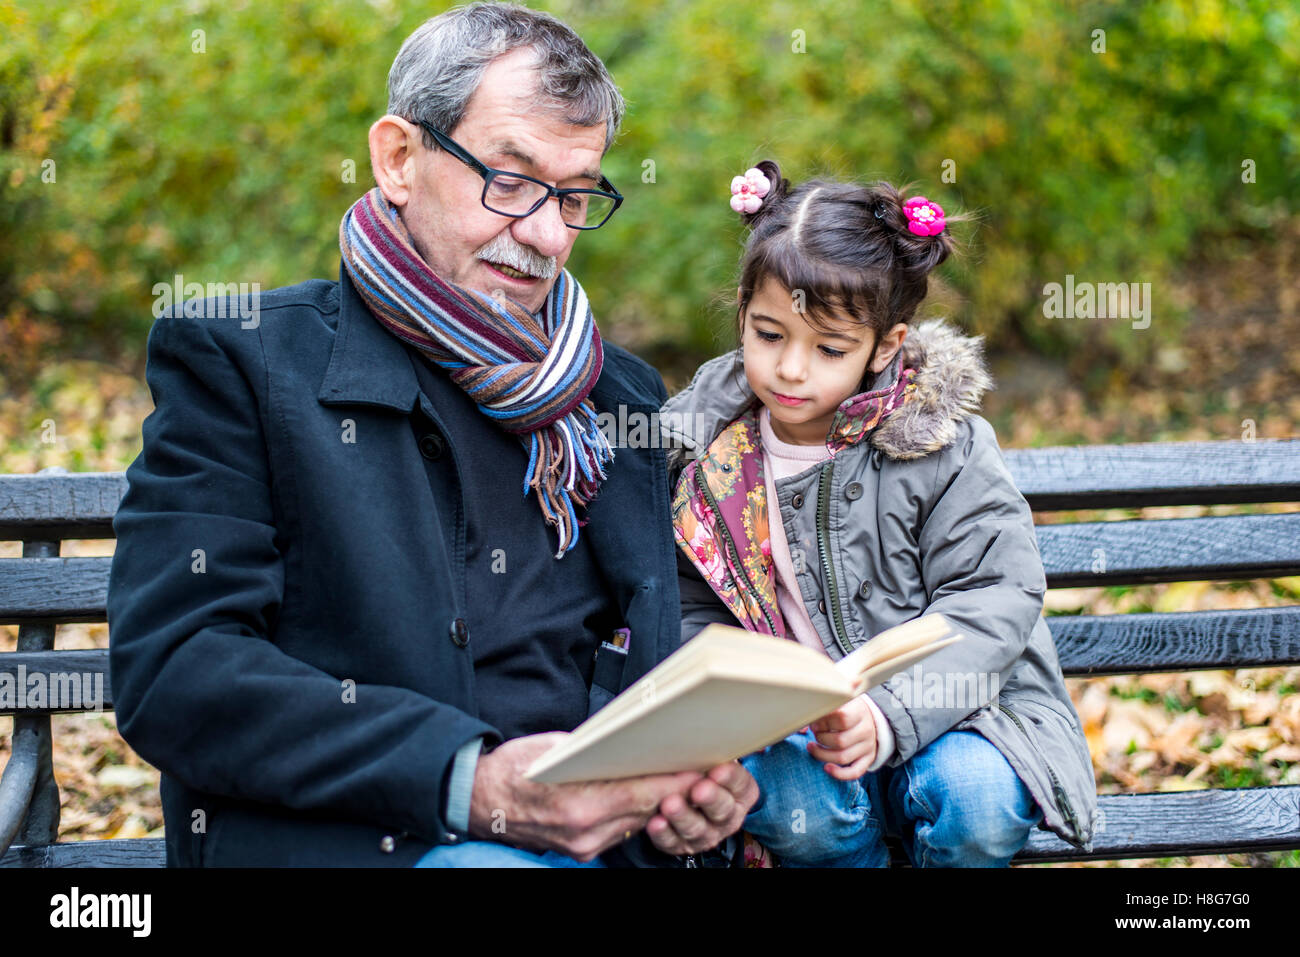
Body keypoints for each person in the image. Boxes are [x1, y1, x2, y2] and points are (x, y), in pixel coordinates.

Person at [107, 2, 756, 868]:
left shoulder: (617, 395)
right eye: (512, 181)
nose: (547, 234)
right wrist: (470, 782)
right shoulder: (246, 364)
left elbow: (644, 656)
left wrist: (683, 792)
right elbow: (177, 671)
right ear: (399, 157)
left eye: (575, 195)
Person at [660, 162, 1097, 867]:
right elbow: (686, 605)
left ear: (884, 346)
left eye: (829, 348)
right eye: (769, 334)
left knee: (979, 805)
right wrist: (747, 690)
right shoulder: (706, 451)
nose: (792, 369)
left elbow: (997, 595)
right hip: (795, 732)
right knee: (797, 812)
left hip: (964, 712)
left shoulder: (942, 446)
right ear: (742, 312)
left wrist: (887, 714)